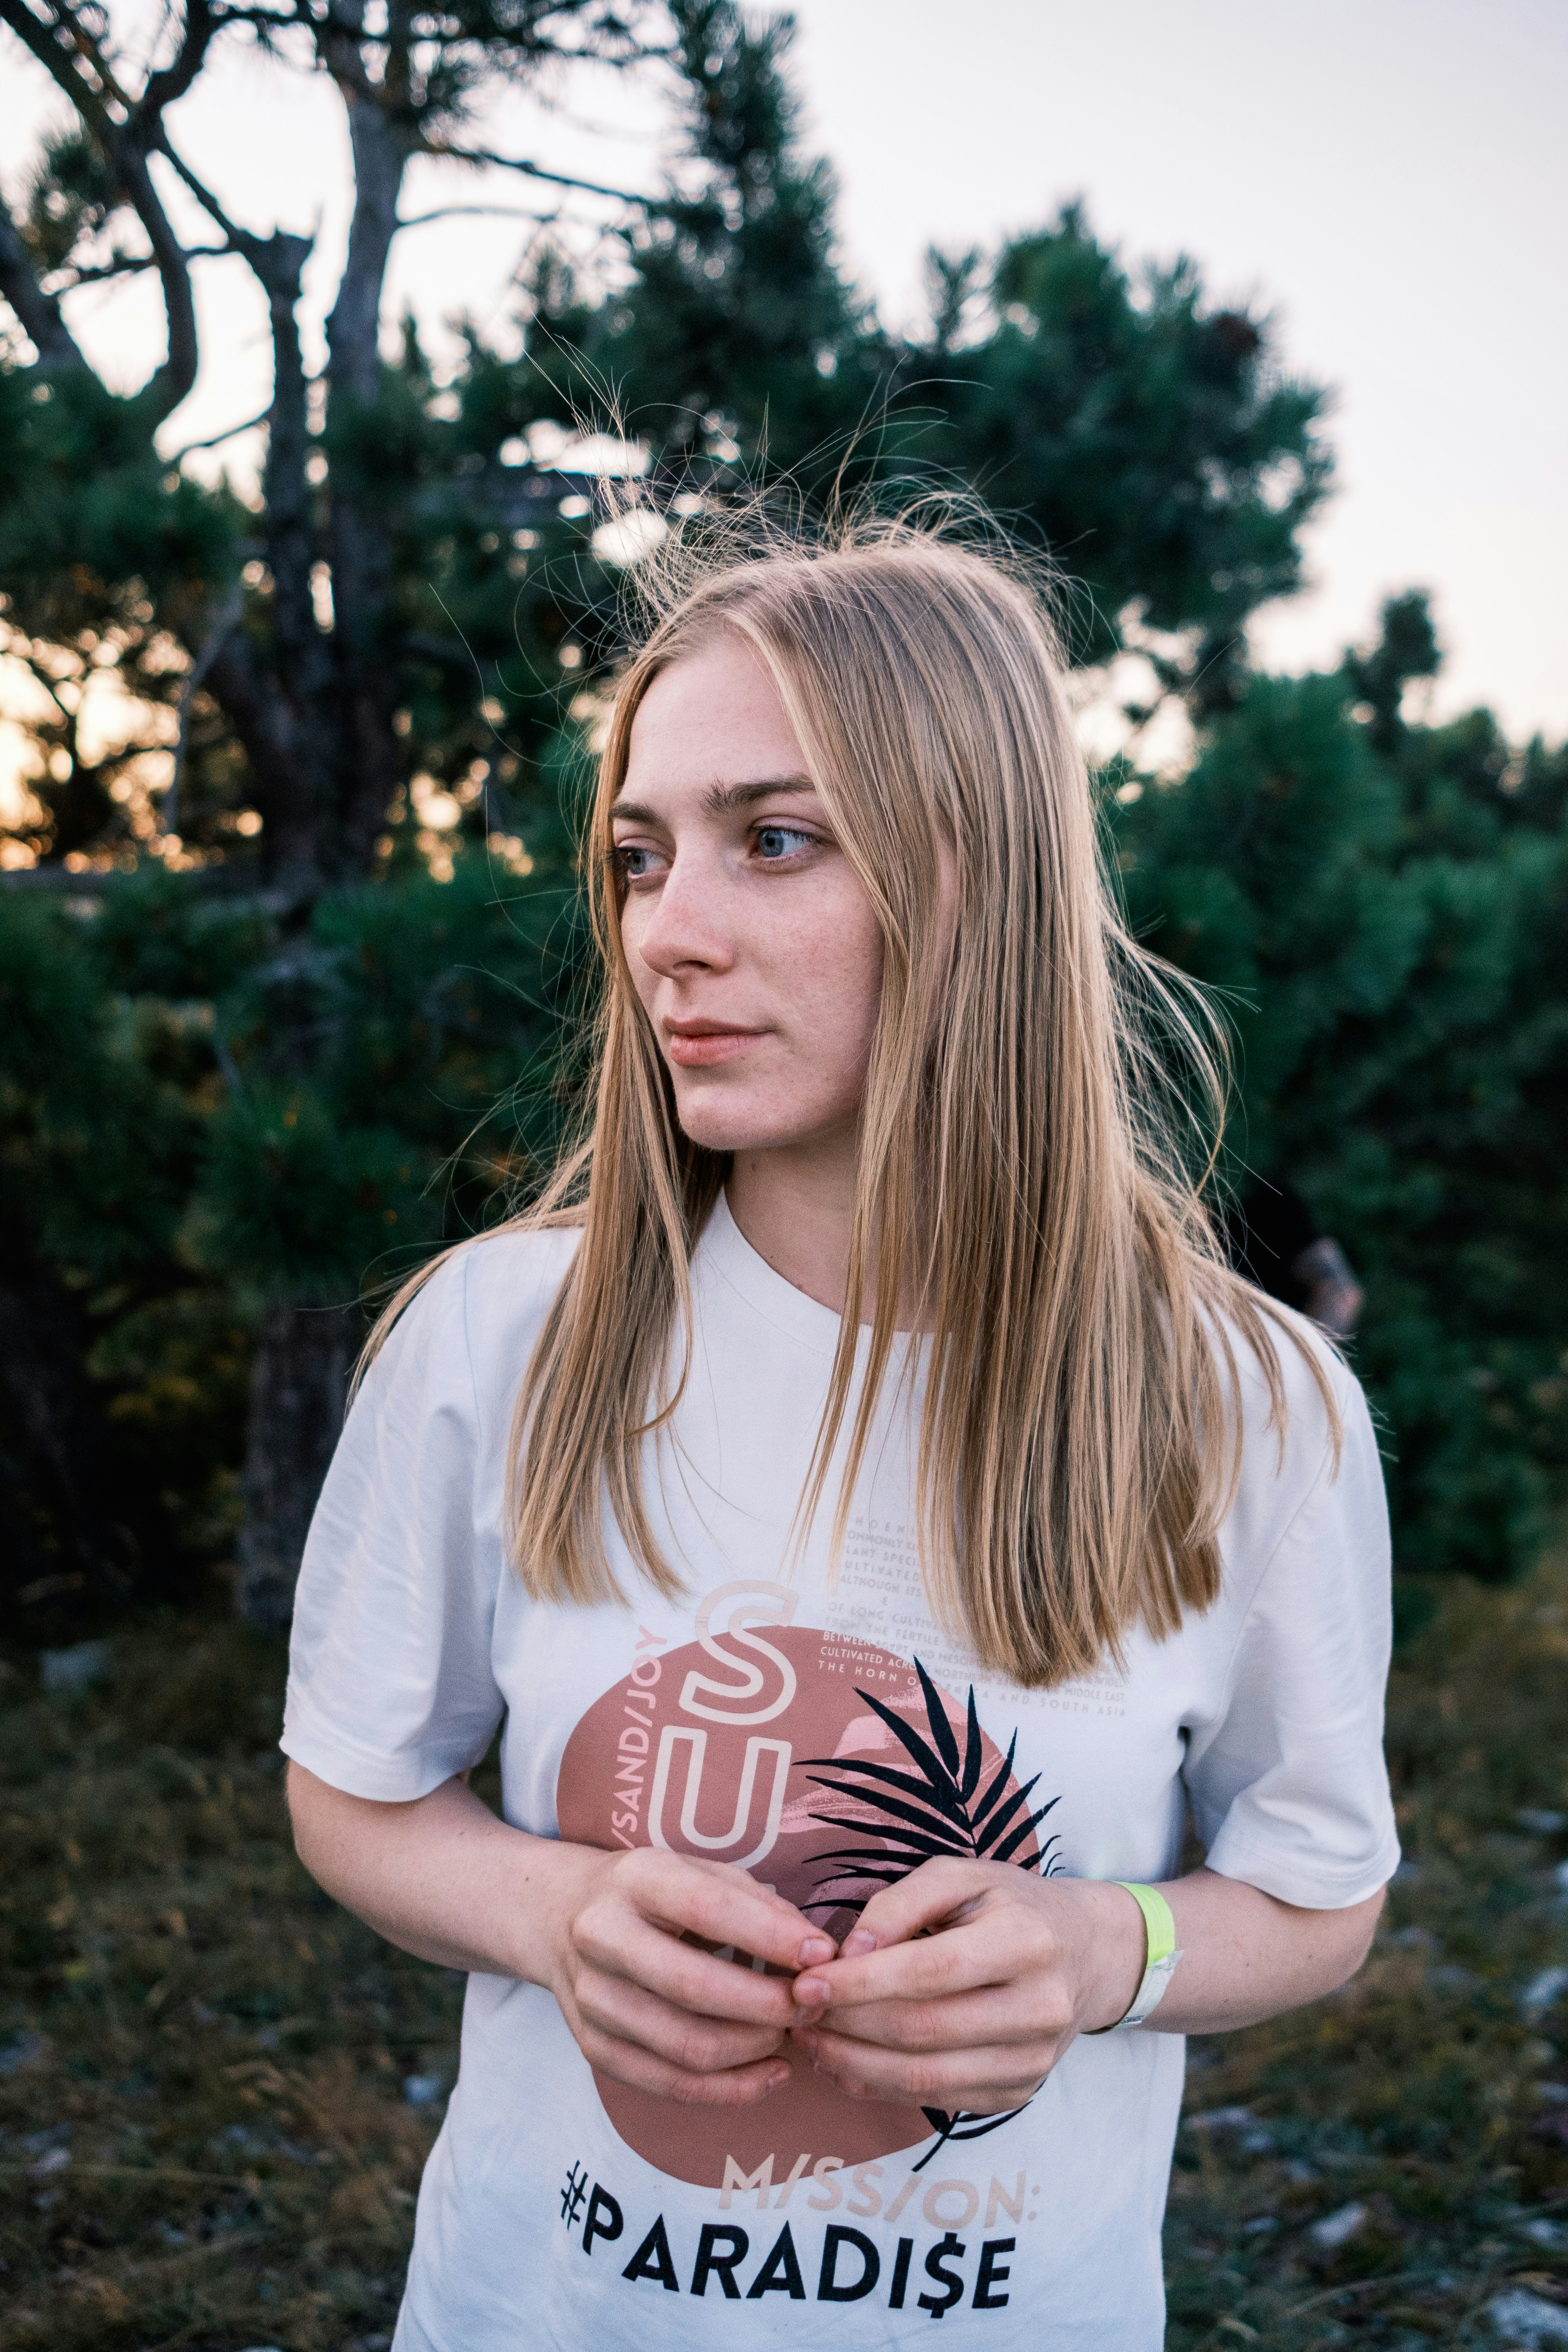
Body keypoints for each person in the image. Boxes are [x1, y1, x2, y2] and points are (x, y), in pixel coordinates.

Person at [282, 517, 1398, 2351]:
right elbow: (352, 1789)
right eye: (638, 857)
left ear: (977, 880)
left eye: (772, 841)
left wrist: (1111, 1952)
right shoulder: (500, 1339)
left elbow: (1314, 1888)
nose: (668, 933)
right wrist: (551, 1912)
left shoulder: (1251, 1407)